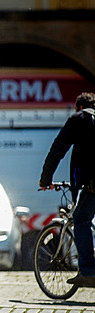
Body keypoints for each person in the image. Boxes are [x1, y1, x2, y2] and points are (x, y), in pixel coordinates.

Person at [40, 92, 95, 287]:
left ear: (79, 107)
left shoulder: (80, 119)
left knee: (80, 219)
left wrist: (46, 179)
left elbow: (58, 149)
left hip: (91, 185)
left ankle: (88, 271)